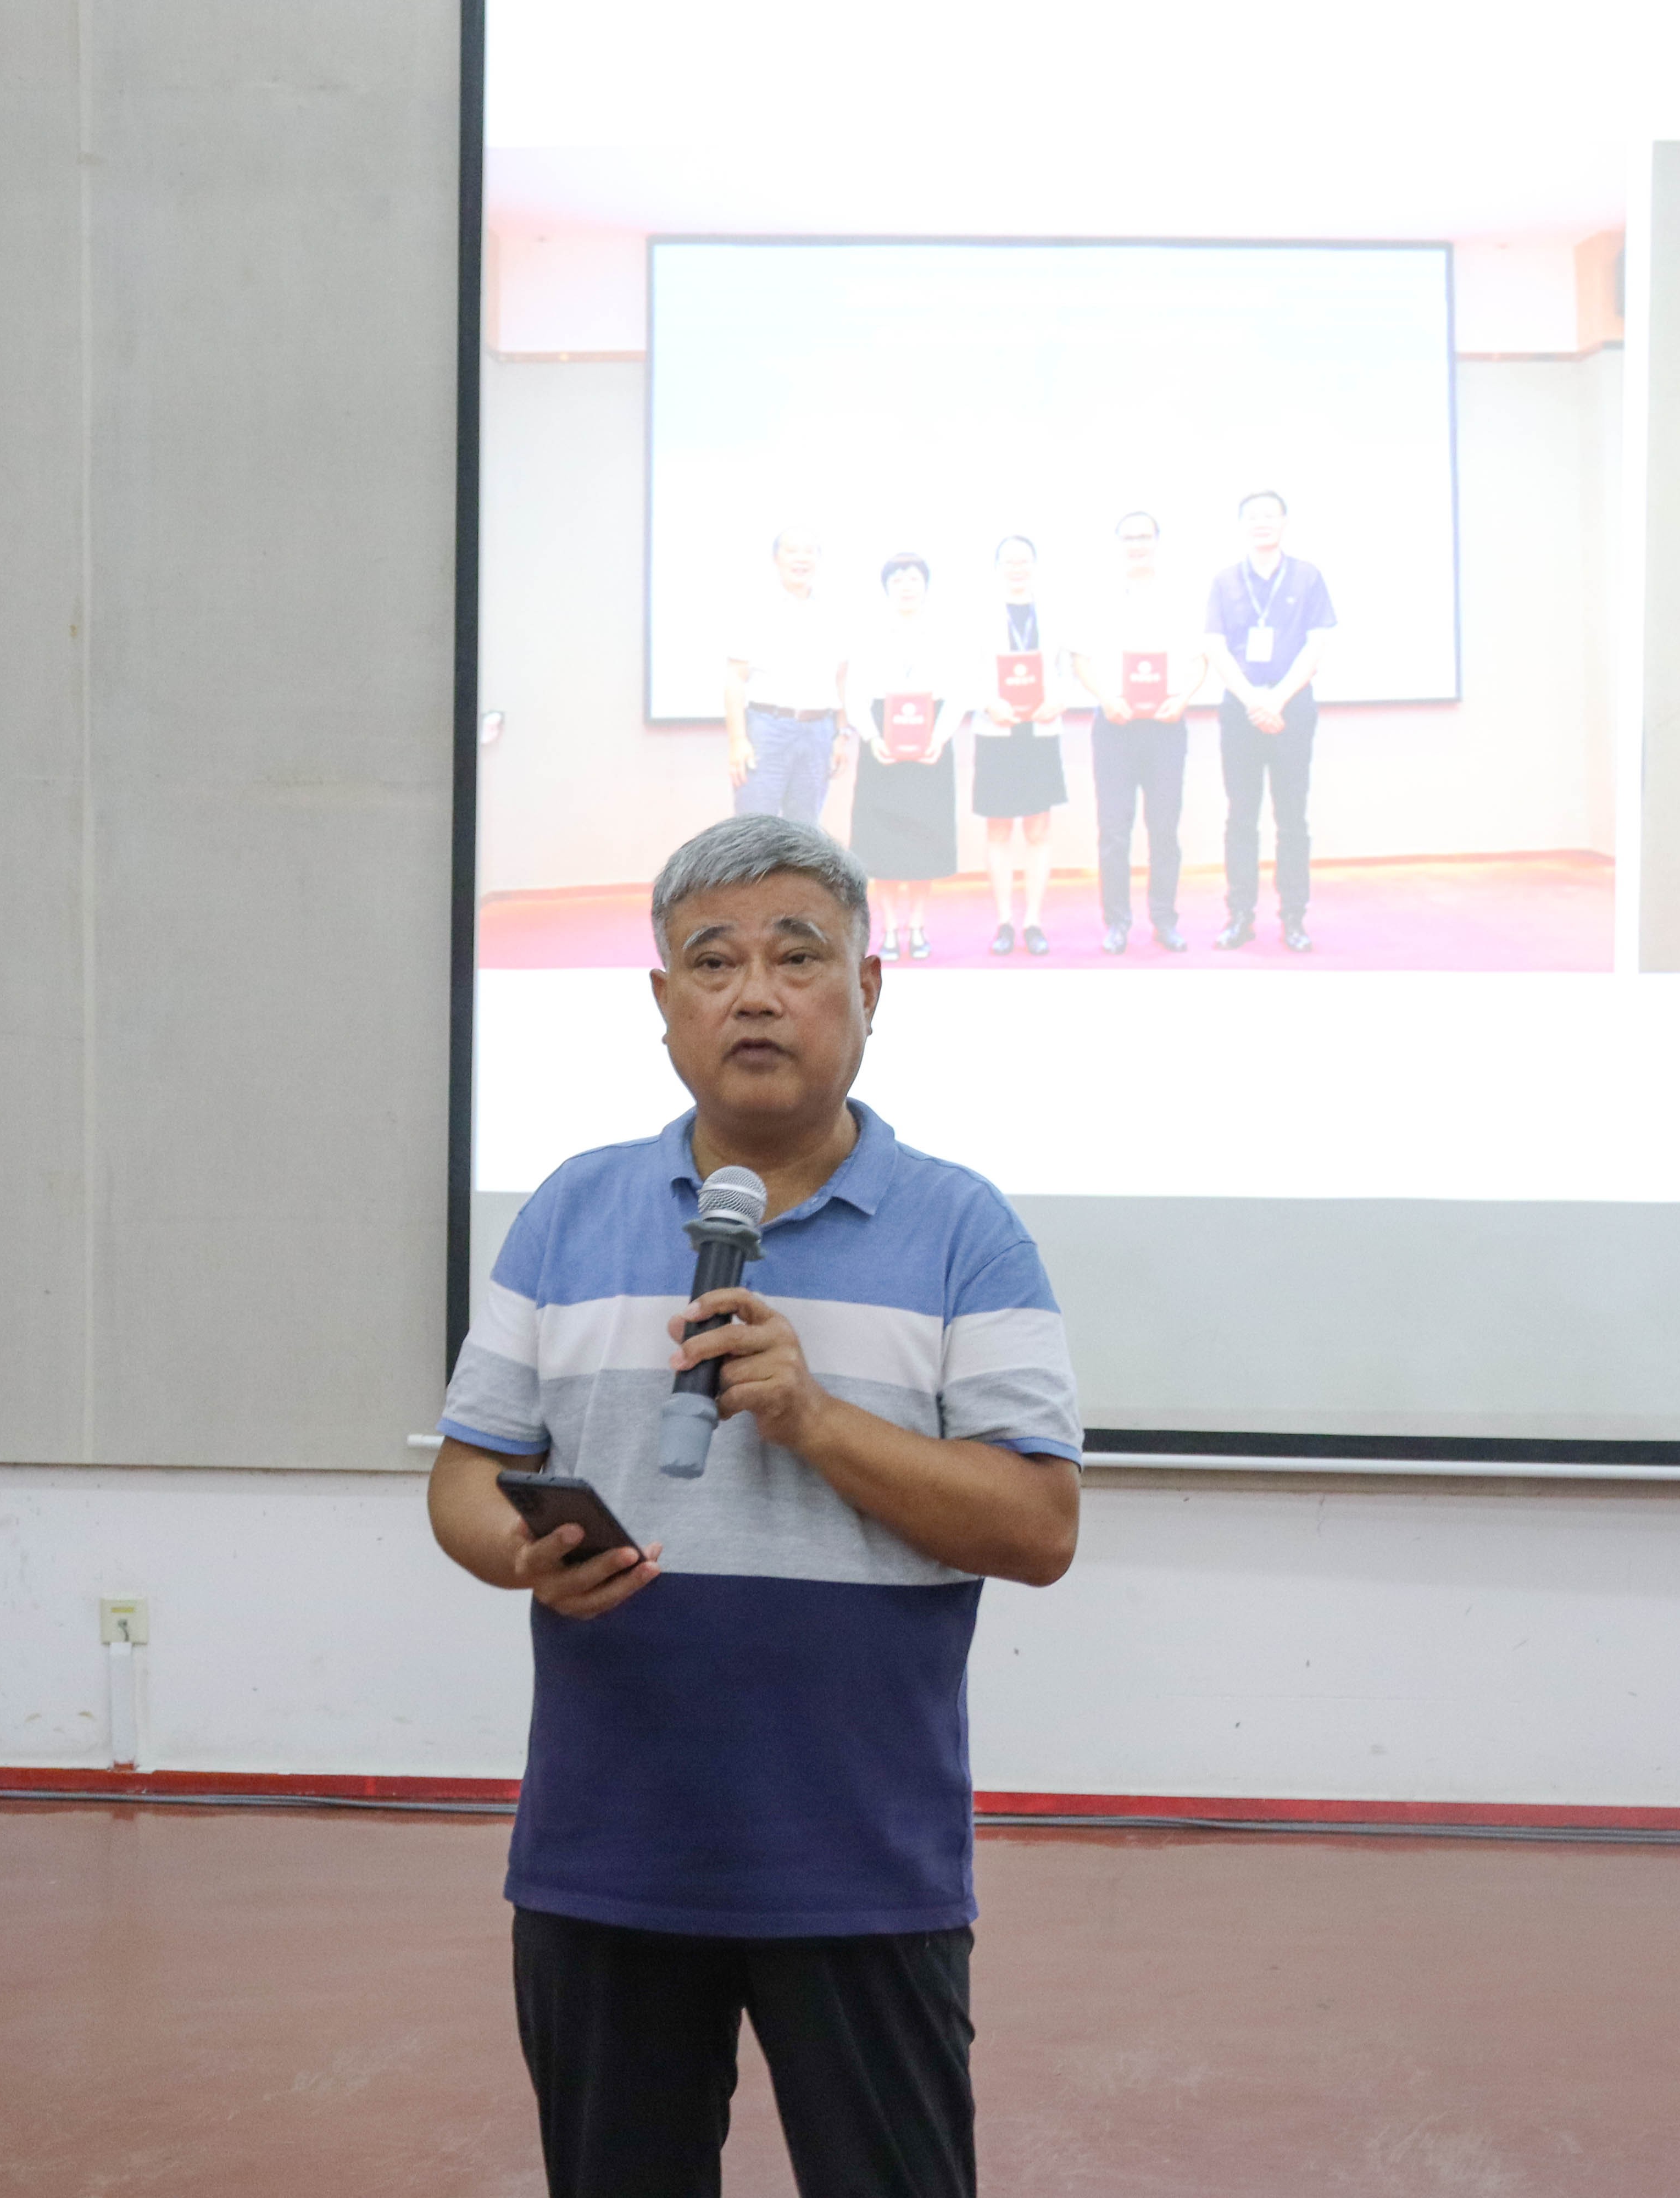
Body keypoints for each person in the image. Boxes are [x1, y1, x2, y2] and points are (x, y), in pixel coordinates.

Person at [425, 813, 1080, 2198]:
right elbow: (465, 1478)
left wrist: (816, 1419)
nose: (757, 995)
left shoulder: (966, 1230)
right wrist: (525, 1555)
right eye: (714, 963)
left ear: (870, 987)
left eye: (799, 956)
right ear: (665, 1001)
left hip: (860, 1858)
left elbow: (1038, 1527)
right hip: (608, 1854)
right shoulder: (569, 1211)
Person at [1199, 489, 1338, 952]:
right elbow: (1215, 647)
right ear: (1242, 526)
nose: (1262, 523)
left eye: (1270, 515)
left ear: (1284, 522)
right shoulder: (1225, 581)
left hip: (1292, 709)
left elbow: (1317, 645)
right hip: (1240, 711)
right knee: (1241, 818)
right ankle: (1240, 916)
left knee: (1292, 818)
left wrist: (1276, 700)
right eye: (1253, 517)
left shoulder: (1308, 576)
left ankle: (1294, 918)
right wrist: (1253, 701)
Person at [1072, 510, 1202, 954]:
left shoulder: (1182, 597)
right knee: (1114, 832)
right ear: (1119, 545)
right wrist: (1107, 697)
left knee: (1164, 830)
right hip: (1115, 727)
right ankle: (1118, 924)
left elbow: (1199, 660)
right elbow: (1081, 660)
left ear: (1157, 541)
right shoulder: (1098, 598)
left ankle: (1165, 921)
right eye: (1129, 538)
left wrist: (1182, 699)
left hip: (1166, 728)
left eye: (1145, 536)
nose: (1137, 544)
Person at [845, 552, 960, 961]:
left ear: (926, 586)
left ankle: (918, 926)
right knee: (884, 840)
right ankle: (891, 929)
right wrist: (872, 736)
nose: (907, 586)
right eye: (898, 580)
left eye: (914, 579)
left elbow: (958, 692)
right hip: (882, 743)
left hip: (931, 743)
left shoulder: (945, 634)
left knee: (924, 837)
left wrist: (940, 737)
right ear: (887, 588)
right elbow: (855, 694)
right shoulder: (871, 635)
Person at [969, 535, 1069, 956]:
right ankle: (1005, 922)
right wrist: (989, 703)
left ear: (1034, 565)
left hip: (1040, 730)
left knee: (1039, 830)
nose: (1017, 568)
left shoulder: (1055, 613)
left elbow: (1067, 669)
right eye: (1009, 561)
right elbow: (966, 670)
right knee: (999, 830)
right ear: (998, 568)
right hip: (998, 731)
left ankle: (1033, 922)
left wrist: (1059, 700)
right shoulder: (979, 615)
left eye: (1024, 560)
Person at [722, 526, 850, 824]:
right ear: (776, 559)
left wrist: (841, 734)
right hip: (767, 729)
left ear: (819, 559)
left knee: (805, 831)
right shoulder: (753, 608)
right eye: (792, 551)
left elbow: (842, 679)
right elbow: (735, 678)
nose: (801, 559)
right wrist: (738, 740)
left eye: (809, 552)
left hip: (819, 731)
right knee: (755, 828)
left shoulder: (834, 612)